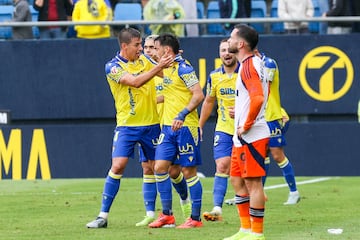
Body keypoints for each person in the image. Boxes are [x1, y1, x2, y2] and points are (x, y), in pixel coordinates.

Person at [85, 27, 174, 228]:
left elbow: (167, 73)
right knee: (118, 166)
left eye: (141, 44)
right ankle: (103, 216)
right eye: (137, 45)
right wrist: (157, 67)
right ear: (124, 46)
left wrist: (173, 59)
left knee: (158, 168)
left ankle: (167, 215)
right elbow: (134, 82)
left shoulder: (146, 60)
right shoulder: (113, 67)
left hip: (151, 125)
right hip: (127, 126)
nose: (141, 48)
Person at [148, 33, 204, 228]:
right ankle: (167, 215)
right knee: (160, 168)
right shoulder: (168, 68)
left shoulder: (184, 68)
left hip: (186, 127)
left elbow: (198, 95)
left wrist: (182, 114)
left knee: (189, 172)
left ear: (167, 50)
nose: (154, 52)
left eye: (156, 48)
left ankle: (195, 219)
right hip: (168, 128)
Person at [135, 34, 191, 227]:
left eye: (153, 47)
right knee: (150, 168)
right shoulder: (146, 70)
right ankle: (153, 212)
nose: (149, 50)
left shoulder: (171, 70)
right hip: (152, 125)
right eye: (146, 47)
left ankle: (184, 200)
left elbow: (176, 94)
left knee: (175, 171)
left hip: (170, 125)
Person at [224, 24, 269, 240]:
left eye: (232, 37)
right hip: (241, 135)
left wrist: (247, 123)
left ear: (241, 44)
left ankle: (256, 232)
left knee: (253, 183)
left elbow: (258, 97)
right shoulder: (249, 64)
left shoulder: (250, 64)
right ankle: (244, 229)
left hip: (251, 134)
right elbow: (251, 97)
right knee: (236, 179)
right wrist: (240, 112)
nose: (229, 41)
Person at [200, 39, 239, 222]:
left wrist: (240, 110)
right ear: (219, 53)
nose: (226, 53)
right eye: (223, 50)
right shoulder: (214, 76)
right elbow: (209, 101)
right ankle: (217, 207)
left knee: (242, 170)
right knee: (222, 165)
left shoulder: (245, 73)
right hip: (223, 128)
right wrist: (200, 125)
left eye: (229, 50)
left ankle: (246, 206)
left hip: (244, 129)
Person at [256, 50, 300, 205]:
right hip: (257, 116)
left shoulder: (268, 63)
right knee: (262, 155)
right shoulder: (246, 65)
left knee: (277, 154)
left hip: (271, 116)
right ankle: (259, 192)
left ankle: (294, 192)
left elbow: (263, 90)